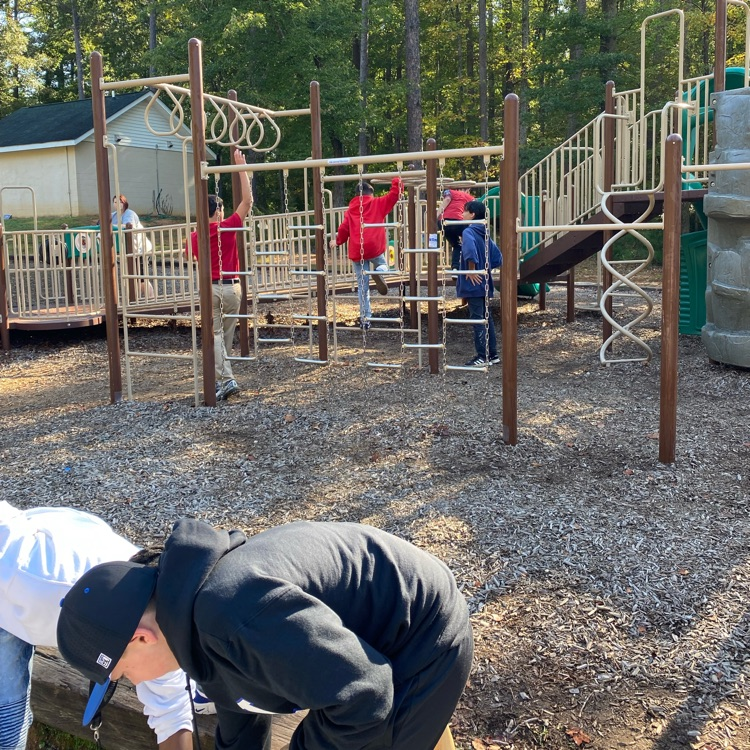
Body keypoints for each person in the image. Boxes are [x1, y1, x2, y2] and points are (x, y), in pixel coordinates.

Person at [57, 519, 474, 750]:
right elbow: (242, 712)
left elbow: (363, 696)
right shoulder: (184, 612)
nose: (136, 683)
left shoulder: (230, 614)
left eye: (123, 674)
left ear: (141, 638)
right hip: (372, 641)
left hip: (420, 634)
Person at [0, 501, 194, 750]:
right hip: (20, 582)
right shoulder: (35, 575)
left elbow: (173, 716)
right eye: (120, 671)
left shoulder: (164, 635)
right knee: (7, 723)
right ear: (140, 638)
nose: (113, 677)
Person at [188, 149, 253, 401]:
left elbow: (191, 257)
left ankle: (226, 379)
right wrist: (241, 169)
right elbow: (247, 202)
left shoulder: (194, 237)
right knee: (223, 338)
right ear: (219, 211)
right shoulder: (227, 227)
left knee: (216, 337)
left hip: (210, 289)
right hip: (232, 288)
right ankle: (224, 380)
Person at [330, 178, 402, 329]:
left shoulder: (350, 210)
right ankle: (379, 271)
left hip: (358, 249)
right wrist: (396, 179)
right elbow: (394, 195)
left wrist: (337, 241)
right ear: (371, 193)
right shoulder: (377, 203)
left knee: (363, 286)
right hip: (374, 247)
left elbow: (344, 228)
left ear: (356, 195)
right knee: (384, 264)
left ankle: (366, 318)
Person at [456, 200, 502, 367]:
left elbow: (469, 251)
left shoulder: (468, 232)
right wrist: (484, 266)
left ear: (472, 214)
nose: (462, 215)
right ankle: (493, 354)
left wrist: (472, 269)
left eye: (464, 211)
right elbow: (498, 258)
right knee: (486, 318)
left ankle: (482, 356)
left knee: (477, 319)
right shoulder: (485, 233)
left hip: (473, 283)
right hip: (485, 282)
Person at [436, 188, 476, 271]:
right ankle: (469, 266)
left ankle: (455, 268)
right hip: (458, 222)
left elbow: (447, 199)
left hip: (444, 222)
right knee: (470, 241)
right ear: (467, 190)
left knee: (457, 245)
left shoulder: (449, 192)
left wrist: (437, 215)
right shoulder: (470, 198)